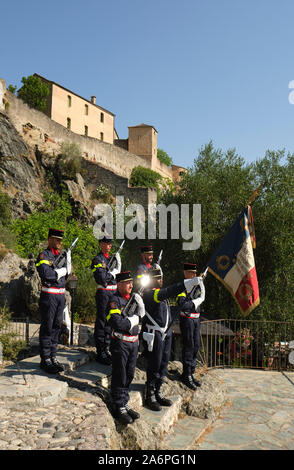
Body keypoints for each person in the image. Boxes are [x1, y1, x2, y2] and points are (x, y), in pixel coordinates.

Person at [141, 268, 200, 411]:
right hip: (154, 334)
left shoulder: (160, 294)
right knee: (154, 364)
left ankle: (158, 391)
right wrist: (187, 283)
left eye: (161, 278)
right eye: (158, 279)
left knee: (163, 364)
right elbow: (168, 292)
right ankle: (151, 395)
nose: (161, 281)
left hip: (165, 333)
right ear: (153, 280)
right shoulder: (150, 293)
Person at [106, 271, 145, 424]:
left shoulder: (133, 299)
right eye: (127, 283)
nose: (131, 285)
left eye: (131, 282)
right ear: (120, 284)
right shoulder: (114, 301)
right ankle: (118, 405)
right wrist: (134, 319)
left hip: (133, 343)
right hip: (120, 343)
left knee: (129, 374)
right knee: (120, 374)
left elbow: (142, 316)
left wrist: (140, 308)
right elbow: (117, 323)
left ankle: (124, 401)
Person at [35, 228, 71, 374]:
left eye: (61, 240)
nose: (59, 242)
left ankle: (53, 356)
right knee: (47, 327)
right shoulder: (44, 255)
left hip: (60, 296)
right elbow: (46, 273)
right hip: (49, 296)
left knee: (57, 326)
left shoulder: (62, 255)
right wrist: (60, 272)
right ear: (50, 239)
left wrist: (67, 267)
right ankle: (45, 359)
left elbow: (66, 277)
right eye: (56, 239)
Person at [91, 236, 121, 365]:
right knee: (102, 321)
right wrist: (113, 273)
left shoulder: (111, 259)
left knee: (110, 321)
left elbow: (115, 278)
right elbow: (102, 279)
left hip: (113, 292)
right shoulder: (98, 259)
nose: (109, 245)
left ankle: (107, 347)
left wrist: (116, 269)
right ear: (101, 244)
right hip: (104, 293)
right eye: (106, 243)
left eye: (110, 243)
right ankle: (101, 351)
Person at [176, 263, 205, 390]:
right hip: (187, 319)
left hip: (196, 319)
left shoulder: (197, 286)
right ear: (185, 273)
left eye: (194, 273)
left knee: (196, 345)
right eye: (191, 273)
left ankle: (191, 372)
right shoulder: (183, 287)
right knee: (188, 346)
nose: (193, 275)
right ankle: (186, 374)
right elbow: (182, 304)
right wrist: (195, 302)